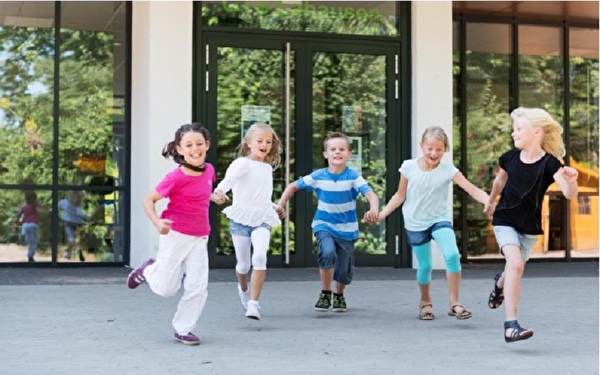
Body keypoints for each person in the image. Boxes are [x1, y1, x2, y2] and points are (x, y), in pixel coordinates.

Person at [373, 126, 489, 321]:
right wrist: (382, 214)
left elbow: (472, 189)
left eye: (439, 149)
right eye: (429, 148)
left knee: (452, 254)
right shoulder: (408, 167)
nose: (434, 153)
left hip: (439, 219)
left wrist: (488, 200)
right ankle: (425, 302)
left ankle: (454, 303)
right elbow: (400, 195)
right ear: (421, 146)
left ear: (445, 149)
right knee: (425, 266)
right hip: (415, 222)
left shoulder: (448, 170)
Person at [483, 108, 578, 343]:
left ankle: (499, 284)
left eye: (518, 129)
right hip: (504, 219)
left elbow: (568, 194)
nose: (513, 134)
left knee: (512, 269)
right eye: (513, 129)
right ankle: (510, 326)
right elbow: (500, 180)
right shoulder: (509, 158)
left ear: (537, 132)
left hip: (528, 227)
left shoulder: (550, 163)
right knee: (515, 265)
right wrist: (491, 200)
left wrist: (572, 181)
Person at [127, 123, 225, 346]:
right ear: (180, 149)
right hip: (176, 235)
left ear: (207, 145)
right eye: (189, 145)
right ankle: (149, 270)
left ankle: (184, 329)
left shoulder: (209, 170)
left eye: (199, 144)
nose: (195, 148)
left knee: (198, 286)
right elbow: (148, 200)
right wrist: (156, 222)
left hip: (200, 236)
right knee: (165, 289)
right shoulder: (175, 177)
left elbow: (201, 192)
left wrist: (214, 197)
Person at [276, 132, 379, 313]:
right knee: (327, 252)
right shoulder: (318, 176)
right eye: (333, 149)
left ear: (348, 154)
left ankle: (339, 295)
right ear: (326, 154)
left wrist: (374, 208)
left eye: (342, 149)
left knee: (345, 269)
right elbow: (293, 186)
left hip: (347, 228)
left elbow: (370, 193)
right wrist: (281, 204)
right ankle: (325, 293)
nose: (337, 152)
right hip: (324, 224)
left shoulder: (353, 176)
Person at [212, 123, 282, 320]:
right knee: (243, 266)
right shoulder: (241, 164)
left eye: (268, 142)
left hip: (262, 219)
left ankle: (253, 304)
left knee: (259, 257)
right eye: (260, 141)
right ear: (249, 143)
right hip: (241, 219)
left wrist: (275, 206)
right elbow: (228, 182)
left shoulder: (267, 168)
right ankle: (243, 288)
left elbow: (261, 196)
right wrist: (218, 192)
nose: (264, 145)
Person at [57, 190, 89, 261]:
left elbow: (56, 208)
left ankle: (77, 249)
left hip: (68, 222)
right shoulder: (78, 206)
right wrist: (88, 217)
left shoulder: (64, 202)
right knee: (72, 239)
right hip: (78, 223)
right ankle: (68, 254)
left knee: (71, 238)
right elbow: (81, 214)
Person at [15, 191, 45, 262]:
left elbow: (18, 214)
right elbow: (39, 211)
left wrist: (17, 220)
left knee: (26, 240)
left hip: (25, 224)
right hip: (34, 224)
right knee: (33, 241)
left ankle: (23, 239)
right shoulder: (36, 204)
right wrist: (47, 212)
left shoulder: (24, 206)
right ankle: (30, 256)